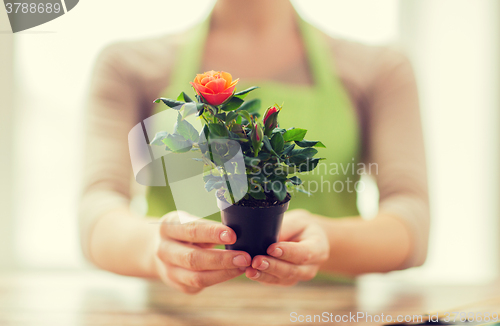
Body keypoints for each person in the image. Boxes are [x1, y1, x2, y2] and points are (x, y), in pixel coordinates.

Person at [80, 0, 429, 294]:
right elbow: (96, 212)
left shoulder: (379, 69)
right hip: (175, 315)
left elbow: (411, 220)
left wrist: (328, 241)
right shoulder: (129, 65)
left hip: (322, 314)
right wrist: (155, 248)